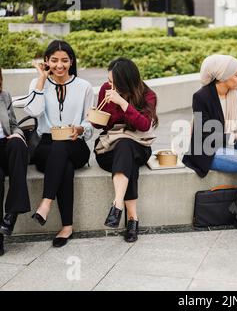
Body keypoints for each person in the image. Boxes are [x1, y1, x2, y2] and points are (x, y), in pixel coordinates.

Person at [183, 54, 237, 236]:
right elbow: (208, 135)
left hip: (233, 145)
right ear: (223, 76)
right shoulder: (201, 97)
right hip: (207, 150)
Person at [25, 40, 94, 248]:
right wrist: (41, 79)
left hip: (76, 143)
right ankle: (67, 226)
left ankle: (46, 203)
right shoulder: (37, 83)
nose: (59, 65)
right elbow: (33, 112)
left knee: (63, 146)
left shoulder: (84, 87)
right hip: (46, 145)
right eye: (54, 60)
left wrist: (81, 129)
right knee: (64, 164)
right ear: (46, 61)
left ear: (71, 62)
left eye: (64, 60)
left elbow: (89, 120)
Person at [93, 58, 158, 243]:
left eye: (114, 82)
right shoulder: (106, 89)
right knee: (126, 155)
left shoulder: (148, 95)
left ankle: (118, 204)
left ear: (127, 81)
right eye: (109, 81)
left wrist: (122, 102)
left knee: (126, 145)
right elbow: (100, 125)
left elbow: (144, 125)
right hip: (109, 149)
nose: (110, 85)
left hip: (139, 145)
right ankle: (132, 218)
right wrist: (96, 116)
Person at [0, 68, 31, 255]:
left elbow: (13, 124)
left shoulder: (4, 96)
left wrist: (17, 135)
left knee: (19, 145)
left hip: (5, 146)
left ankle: (12, 213)